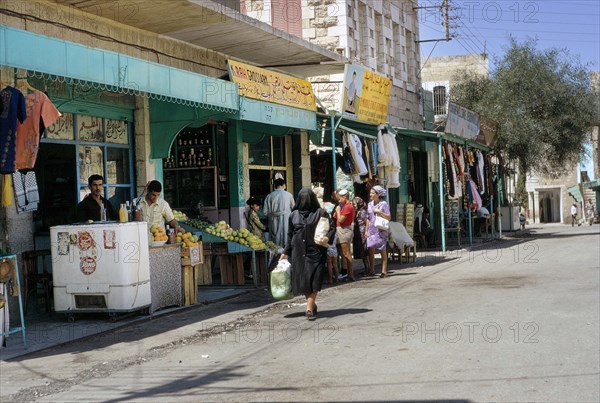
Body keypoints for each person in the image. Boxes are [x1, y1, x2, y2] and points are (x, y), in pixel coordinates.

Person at [280, 188, 335, 321]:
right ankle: (312, 304)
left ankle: (309, 309)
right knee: (304, 282)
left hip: (316, 252)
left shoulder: (321, 213)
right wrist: (286, 252)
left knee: (314, 279)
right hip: (298, 253)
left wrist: (328, 237)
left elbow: (332, 227)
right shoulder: (294, 215)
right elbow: (290, 235)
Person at [366, 185, 391, 278]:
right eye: (370, 193)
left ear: (378, 194)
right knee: (370, 249)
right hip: (371, 229)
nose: (370, 194)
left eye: (372, 193)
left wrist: (379, 212)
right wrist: (366, 230)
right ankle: (371, 270)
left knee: (382, 249)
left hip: (381, 230)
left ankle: (384, 271)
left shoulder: (383, 204)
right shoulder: (369, 204)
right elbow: (368, 218)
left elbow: (388, 217)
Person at [262, 178, 295, 248]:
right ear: (284, 185)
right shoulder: (289, 195)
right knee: (286, 241)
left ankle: (275, 257)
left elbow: (265, 213)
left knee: (274, 244)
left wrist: (273, 214)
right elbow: (294, 209)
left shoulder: (269, 196)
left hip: (274, 222)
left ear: (275, 186)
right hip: (286, 221)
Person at [333, 189, 356, 281]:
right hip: (342, 230)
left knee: (346, 253)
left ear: (344, 197)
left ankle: (350, 275)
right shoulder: (344, 206)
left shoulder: (348, 207)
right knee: (345, 253)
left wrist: (338, 211)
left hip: (344, 230)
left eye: (339, 199)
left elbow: (341, 220)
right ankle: (349, 274)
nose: (338, 201)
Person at [353, 196, 371, 276]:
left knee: (365, 252)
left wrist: (366, 231)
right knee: (363, 252)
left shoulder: (362, 211)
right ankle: (366, 268)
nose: (354, 205)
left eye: (355, 204)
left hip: (362, 232)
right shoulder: (358, 211)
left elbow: (367, 221)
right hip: (358, 232)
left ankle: (368, 269)